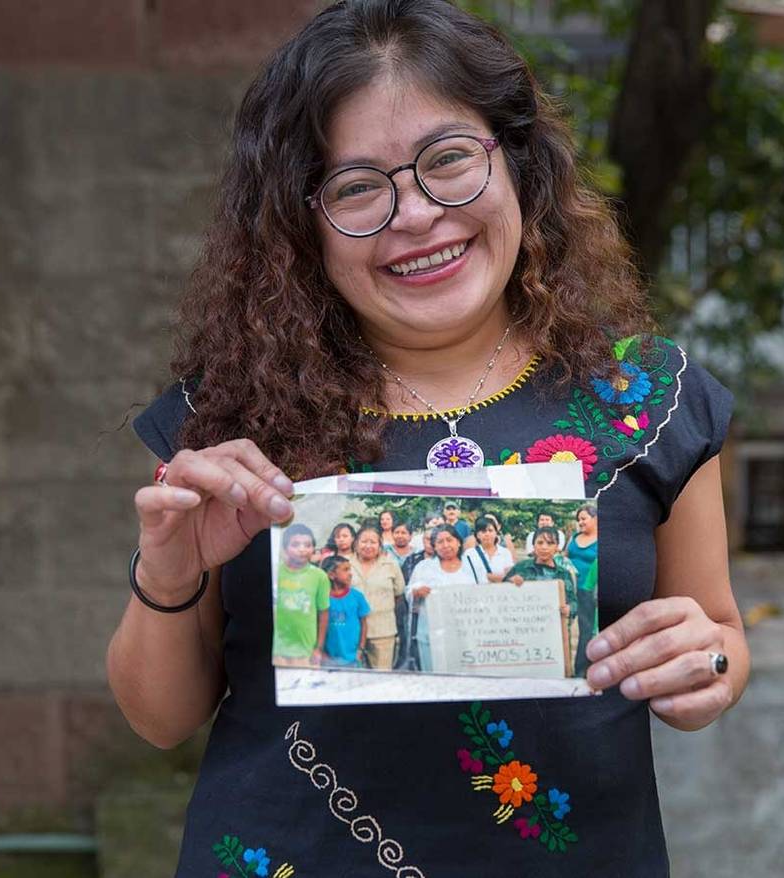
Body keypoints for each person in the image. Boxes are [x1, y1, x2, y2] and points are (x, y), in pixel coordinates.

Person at [111, 2, 748, 873]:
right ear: (302, 225)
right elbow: (159, 717)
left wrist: (703, 661)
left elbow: (720, 644)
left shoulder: (647, 400)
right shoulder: (228, 420)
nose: (415, 215)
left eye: (449, 160)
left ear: (518, 165)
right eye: (357, 187)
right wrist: (170, 570)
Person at [405, 524, 478, 671]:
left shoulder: (472, 565)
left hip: (464, 632)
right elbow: (409, 591)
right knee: (434, 672)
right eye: (440, 542)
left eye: (449, 540)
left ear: (458, 542)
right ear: (434, 546)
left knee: (463, 673)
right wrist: (416, 592)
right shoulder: (424, 567)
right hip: (432, 633)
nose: (445, 545)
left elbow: (486, 593)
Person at [505, 526, 579, 669]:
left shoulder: (563, 574)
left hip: (553, 635)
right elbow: (500, 596)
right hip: (523, 633)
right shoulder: (521, 568)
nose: (544, 547)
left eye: (550, 543)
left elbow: (574, 602)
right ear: (533, 546)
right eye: (540, 543)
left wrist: (569, 609)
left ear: (557, 547)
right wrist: (510, 583)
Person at [270, 524, 329, 667]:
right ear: (285, 549)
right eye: (295, 544)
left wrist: (318, 649)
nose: (302, 549)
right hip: (277, 650)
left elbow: (323, 613)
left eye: (307, 545)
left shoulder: (319, 576)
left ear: (313, 549)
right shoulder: (275, 572)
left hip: (306, 652)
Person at [349, 525, 405, 669]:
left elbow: (398, 593)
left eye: (373, 542)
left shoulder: (391, 565)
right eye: (364, 541)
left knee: (382, 678)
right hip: (352, 631)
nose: (368, 546)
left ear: (380, 545)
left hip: (383, 631)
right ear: (355, 544)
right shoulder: (345, 564)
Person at [320, 555, 371, 667]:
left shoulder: (357, 596)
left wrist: (361, 649)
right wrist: (321, 652)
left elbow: (364, 624)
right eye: (345, 570)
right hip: (328, 659)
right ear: (331, 575)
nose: (350, 573)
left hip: (353, 658)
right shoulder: (322, 598)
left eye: (350, 569)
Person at [566, 505, 599, 676]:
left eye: (584, 518)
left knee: (585, 631)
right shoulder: (575, 537)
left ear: (595, 519)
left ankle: (581, 671)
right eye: (579, 519)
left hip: (587, 590)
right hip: (568, 588)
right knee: (564, 627)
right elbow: (565, 557)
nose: (580, 522)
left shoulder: (601, 540)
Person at [465, 515, 513, 582]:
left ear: (496, 533)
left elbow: (510, 577)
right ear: (477, 535)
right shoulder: (469, 554)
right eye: (483, 531)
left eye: (490, 531)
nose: (487, 534)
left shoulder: (505, 552)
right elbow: (467, 576)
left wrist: (493, 577)